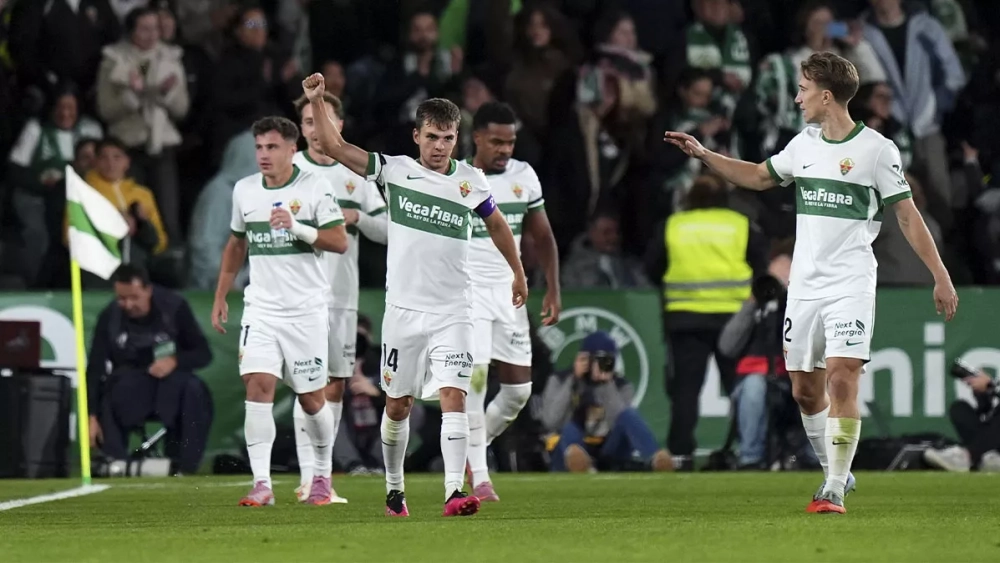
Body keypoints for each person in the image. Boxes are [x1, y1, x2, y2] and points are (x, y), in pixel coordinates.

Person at [663, 51, 959, 514]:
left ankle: (834, 487)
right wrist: (704, 155)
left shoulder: (878, 151)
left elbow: (907, 214)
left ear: (826, 95)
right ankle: (836, 469)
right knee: (805, 389)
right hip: (804, 287)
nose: (797, 97)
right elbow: (760, 176)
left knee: (843, 377)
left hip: (851, 284)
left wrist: (940, 276)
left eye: (802, 89)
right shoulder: (803, 144)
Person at [301, 72, 527, 518]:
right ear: (416, 136)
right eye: (431, 137)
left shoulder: (471, 182)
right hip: (404, 311)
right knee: (398, 405)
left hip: (455, 310)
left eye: (446, 138)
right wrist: (318, 101)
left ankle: (452, 493)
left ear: (456, 137)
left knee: (454, 395)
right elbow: (334, 148)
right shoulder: (394, 171)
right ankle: (394, 490)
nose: (439, 146)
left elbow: (497, 224)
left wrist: (517, 272)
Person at [210, 116, 349, 507]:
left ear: (292, 149)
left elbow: (339, 242)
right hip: (262, 309)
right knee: (257, 385)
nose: (264, 155)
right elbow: (236, 244)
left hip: (305, 311)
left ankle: (321, 476)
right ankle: (262, 484)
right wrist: (222, 294)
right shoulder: (245, 190)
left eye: (272, 147)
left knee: (311, 400)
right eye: (259, 148)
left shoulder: (314, 186)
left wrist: (298, 228)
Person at [290, 91, 388, 503]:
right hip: (300, 296)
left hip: (343, 296)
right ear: (300, 129)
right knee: (307, 384)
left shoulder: (356, 173)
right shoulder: (290, 170)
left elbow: (388, 230)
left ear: (340, 126)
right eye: (309, 122)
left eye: (323, 121)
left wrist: (357, 217)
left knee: (334, 384)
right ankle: (309, 476)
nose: (316, 130)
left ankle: (321, 477)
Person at [463, 102, 561, 502]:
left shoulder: (524, 176)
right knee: (477, 380)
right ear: (477, 138)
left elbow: (543, 237)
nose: (505, 149)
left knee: (518, 392)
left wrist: (553, 288)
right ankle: (481, 475)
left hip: (510, 295)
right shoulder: (459, 178)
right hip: (466, 294)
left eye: (510, 141)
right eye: (497, 141)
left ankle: (469, 448)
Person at [87, 264, 213, 475]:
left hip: (171, 384)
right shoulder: (110, 317)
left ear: (148, 290)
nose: (127, 304)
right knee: (107, 392)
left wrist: (174, 361)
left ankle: (185, 466)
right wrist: (91, 416)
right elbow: (95, 367)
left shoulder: (174, 307)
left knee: (195, 390)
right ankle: (114, 463)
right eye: (121, 298)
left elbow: (203, 353)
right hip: (129, 385)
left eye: (134, 297)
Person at [540, 331, 671, 473]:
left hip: (608, 450)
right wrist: (573, 380)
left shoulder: (621, 386)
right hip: (570, 448)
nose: (603, 364)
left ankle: (656, 460)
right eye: (598, 359)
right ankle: (581, 464)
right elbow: (551, 422)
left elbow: (620, 420)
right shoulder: (559, 380)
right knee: (569, 428)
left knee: (629, 415)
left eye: (608, 360)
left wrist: (606, 385)